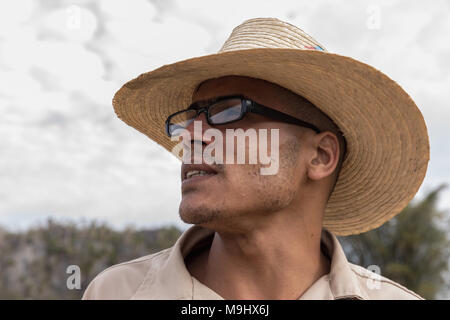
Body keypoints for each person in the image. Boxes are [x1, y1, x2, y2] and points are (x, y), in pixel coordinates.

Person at [82, 18, 429, 300]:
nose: (191, 136)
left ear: (321, 156)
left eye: (230, 111)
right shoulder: (115, 293)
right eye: (191, 119)